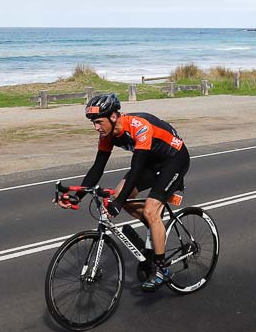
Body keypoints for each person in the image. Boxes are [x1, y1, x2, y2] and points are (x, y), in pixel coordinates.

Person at [58, 93, 190, 292]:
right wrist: (78, 195)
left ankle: (162, 270)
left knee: (149, 210)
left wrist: (118, 203)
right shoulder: (107, 135)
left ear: (113, 116)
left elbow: (136, 168)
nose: (96, 127)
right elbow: (98, 167)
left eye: (99, 122)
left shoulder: (139, 125)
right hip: (151, 163)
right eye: (93, 123)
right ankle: (155, 230)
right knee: (122, 195)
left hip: (174, 160)